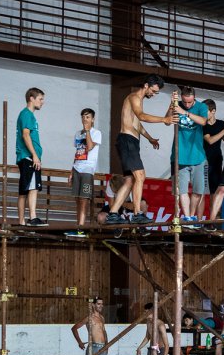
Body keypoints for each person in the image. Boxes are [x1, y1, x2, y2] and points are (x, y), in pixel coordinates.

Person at [106, 74, 171, 225]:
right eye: (153, 91)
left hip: (130, 141)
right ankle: (137, 214)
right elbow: (141, 116)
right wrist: (164, 119)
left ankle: (113, 213)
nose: (153, 94)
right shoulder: (134, 97)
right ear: (146, 85)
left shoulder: (139, 100)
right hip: (127, 141)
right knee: (140, 176)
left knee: (130, 180)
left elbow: (137, 124)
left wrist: (150, 138)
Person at [170, 86, 210, 228]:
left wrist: (185, 113)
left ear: (194, 98)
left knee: (198, 191)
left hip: (198, 156)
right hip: (180, 156)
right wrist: (172, 105)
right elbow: (167, 121)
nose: (187, 105)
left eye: (190, 102)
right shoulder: (177, 105)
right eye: (184, 102)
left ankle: (192, 216)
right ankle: (187, 217)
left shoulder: (201, 107)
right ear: (181, 98)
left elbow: (203, 121)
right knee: (182, 191)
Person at [66, 108, 102, 237]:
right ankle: (78, 227)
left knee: (84, 199)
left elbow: (90, 146)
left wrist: (87, 131)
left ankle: (81, 229)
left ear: (92, 119)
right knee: (77, 199)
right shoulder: (77, 134)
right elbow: (77, 153)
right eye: (83, 117)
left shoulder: (96, 133)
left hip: (88, 169)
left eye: (87, 117)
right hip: (77, 168)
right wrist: (71, 171)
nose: (85, 119)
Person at [16, 87, 47, 226]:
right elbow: (25, 135)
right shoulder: (27, 114)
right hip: (28, 156)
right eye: (40, 99)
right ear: (31, 98)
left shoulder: (27, 115)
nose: (42, 102)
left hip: (26, 156)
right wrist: (34, 155)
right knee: (33, 187)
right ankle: (32, 217)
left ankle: (22, 222)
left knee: (24, 191)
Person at [202, 100, 224, 195]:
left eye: (205, 111)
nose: (202, 114)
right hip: (204, 161)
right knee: (202, 190)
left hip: (216, 160)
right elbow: (210, 140)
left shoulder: (221, 124)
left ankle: (214, 205)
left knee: (214, 190)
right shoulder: (203, 125)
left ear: (213, 111)